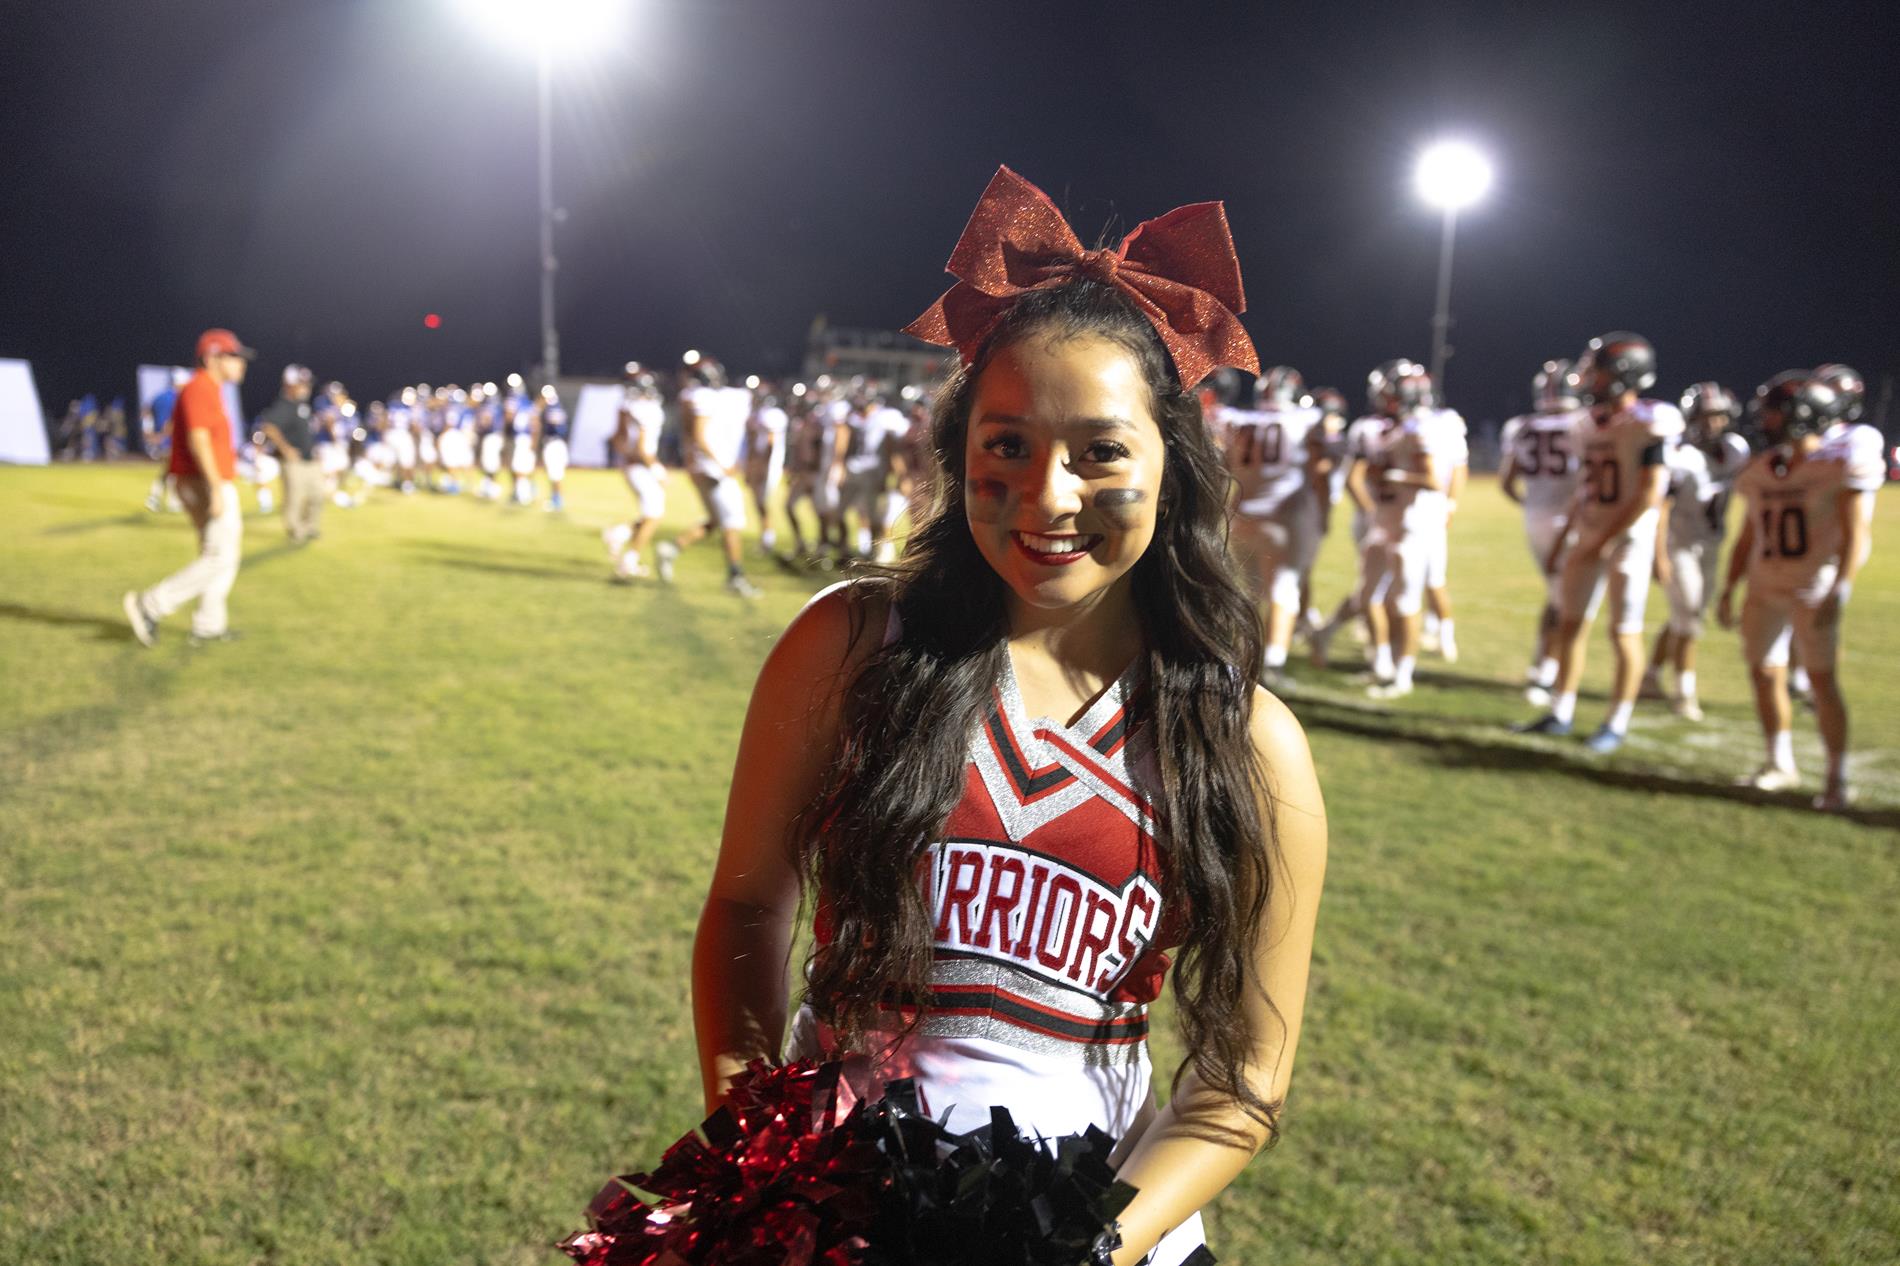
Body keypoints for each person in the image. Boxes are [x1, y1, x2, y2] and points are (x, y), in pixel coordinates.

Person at [692, 168, 1325, 1266]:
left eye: (1100, 450)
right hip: (831, 1217)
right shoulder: (852, 647)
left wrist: (1081, 1248)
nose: (1048, 496)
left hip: (1093, 1235)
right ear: (957, 453)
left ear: (1171, 463)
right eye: (1006, 445)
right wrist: (763, 1154)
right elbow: (750, 904)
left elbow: (1242, 1081)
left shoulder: (1245, 738)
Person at [1718, 372, 1881, 811]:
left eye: (1774, 411)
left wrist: (1840, 588)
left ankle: (1836, 778)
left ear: (1803, 415)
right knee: (1763, 673)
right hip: (1765, 584)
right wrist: (1730, 585)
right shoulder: (1759, 470)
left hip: (1813, 587)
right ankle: (1778, 762)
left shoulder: (1836, 466)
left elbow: (1854, 534)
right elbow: (1748, 535)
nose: (1765, 420)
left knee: (1822, 682)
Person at [1516, 332, 1682, 752]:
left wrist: (1601, 540)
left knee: (1623, 632)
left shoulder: (1650, 421)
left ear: (1624, 375)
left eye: (1598, 371)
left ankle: (1616, 722)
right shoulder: (1584, 424)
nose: (1588, 379)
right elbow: (1585, 489)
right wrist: (1570, 538)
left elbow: (1650, 494)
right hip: (1590, 532)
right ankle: (1561, 711)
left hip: (1628, 538)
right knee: (1570, 625)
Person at [124, 329, 254, 648]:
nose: (241, 363)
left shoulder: (209, 388)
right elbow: (199, 440)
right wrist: (216, 489)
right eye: (234, 356)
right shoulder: (199, 387)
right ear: (212, 357)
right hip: (205, 482)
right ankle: (149, 605)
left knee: (223, 556)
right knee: (218, 556)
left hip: (206, 481)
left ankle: (209, 626)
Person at [1638, 381, 1751, 719]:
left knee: (1686, 617)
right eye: (1706, 416)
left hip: (1712, 544)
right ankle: (1684, 693)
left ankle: (1650, 676)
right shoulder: (1681, 458)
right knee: (1688, 621)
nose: (1713, 423)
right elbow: (1662, 509)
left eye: (1719, 416)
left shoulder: (1735, 449)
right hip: (1680, 545)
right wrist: (1658, 556)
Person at [1219, 365, 1328, 686]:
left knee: (1249, 595)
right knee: (1284, 590)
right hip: (1282, 519)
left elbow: (1224, 466)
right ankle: (1274, 667)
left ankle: (1243, 663)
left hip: (1241, 516)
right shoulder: (1304, 421)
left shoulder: (1238, 422)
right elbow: (1318, 468)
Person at [1498, 359, 1589, 704]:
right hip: (1572, 519)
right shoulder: (1583, 424)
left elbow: (1507, 482)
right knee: (1568, 604)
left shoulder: (1521, 426)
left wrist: (1531, 504)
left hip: (1535, 519)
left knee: (1559, 598)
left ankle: (1543, 670)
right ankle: (1546, 674)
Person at [655, 357, 761, 597]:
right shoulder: (709, 397)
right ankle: (736, 576)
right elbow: (700, 435)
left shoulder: (704, 397)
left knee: (715, 520)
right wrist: (723, 463)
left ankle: (672, 548)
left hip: (705, 467)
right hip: (715, 469)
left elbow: (691, 434)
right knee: (732, 523)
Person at [603, 364, 667, 580]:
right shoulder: (646, 409)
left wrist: (627, 456)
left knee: (652, 513)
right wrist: (655, 466)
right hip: (641, 465)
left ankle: (619, 535)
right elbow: (641, 446)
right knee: (653, 515)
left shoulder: (628, 407)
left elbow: (618, 439)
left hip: (631, 465)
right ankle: (628, 560)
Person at [257, 364, 320, 542]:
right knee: (294, 499)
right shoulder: (284, 405)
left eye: (307, 383)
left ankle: (310, 527)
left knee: (317, 495)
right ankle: (296, 531)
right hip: (294, 462)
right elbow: (268, 427)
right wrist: (286, 449)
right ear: (289, 383)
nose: (306, 387)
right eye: (302, 383)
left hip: (310, 459)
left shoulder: (302, 405)